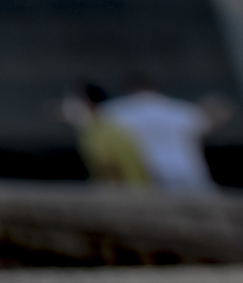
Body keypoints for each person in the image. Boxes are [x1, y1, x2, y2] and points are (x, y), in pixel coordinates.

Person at [100, 73, 233, 194]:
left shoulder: (115, 112)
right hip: (187, 170)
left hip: (150, 171)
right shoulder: (182, 110)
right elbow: (209, 125)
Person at [61, 81, 150, 188]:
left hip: (127, 194)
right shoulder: (91, 128)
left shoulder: (107, 129)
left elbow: (109, 165)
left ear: (87, 101)